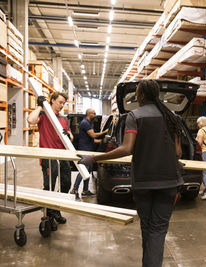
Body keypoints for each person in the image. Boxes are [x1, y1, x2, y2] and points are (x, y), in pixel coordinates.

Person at [78, 79, 183, 267]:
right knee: (158, 231)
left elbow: (127, 149)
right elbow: (177, 152)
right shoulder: (171, 117)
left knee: (147, 228)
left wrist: (94, 158)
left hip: (144, 182)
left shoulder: (134, 116)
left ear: (140, 95)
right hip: (169, 182)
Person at [27, 92, 73, 229]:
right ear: (52, 100)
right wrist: (40, 106)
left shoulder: (64, 119)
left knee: (66, 184)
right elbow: (30, 120)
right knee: (49, 187)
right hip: (49, 157)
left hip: (63, 156)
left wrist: (68, 135)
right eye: (60, 102)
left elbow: (70, 137)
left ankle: (56, 209)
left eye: (64, 103)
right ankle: (49, 216)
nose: (62, 105)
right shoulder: (43, 115)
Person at [70, 108, 107, 200]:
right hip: (84, 150)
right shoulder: (85, 123)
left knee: (88, 171)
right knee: (84, 170)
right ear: (89, 114)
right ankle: (74, 190)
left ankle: (85, 191)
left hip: (88, 149)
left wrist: (102, 141)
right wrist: (105, 132)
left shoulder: (89, 123)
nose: (95, 115)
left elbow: (92, 139)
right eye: (94, 113)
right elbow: (93, 135)